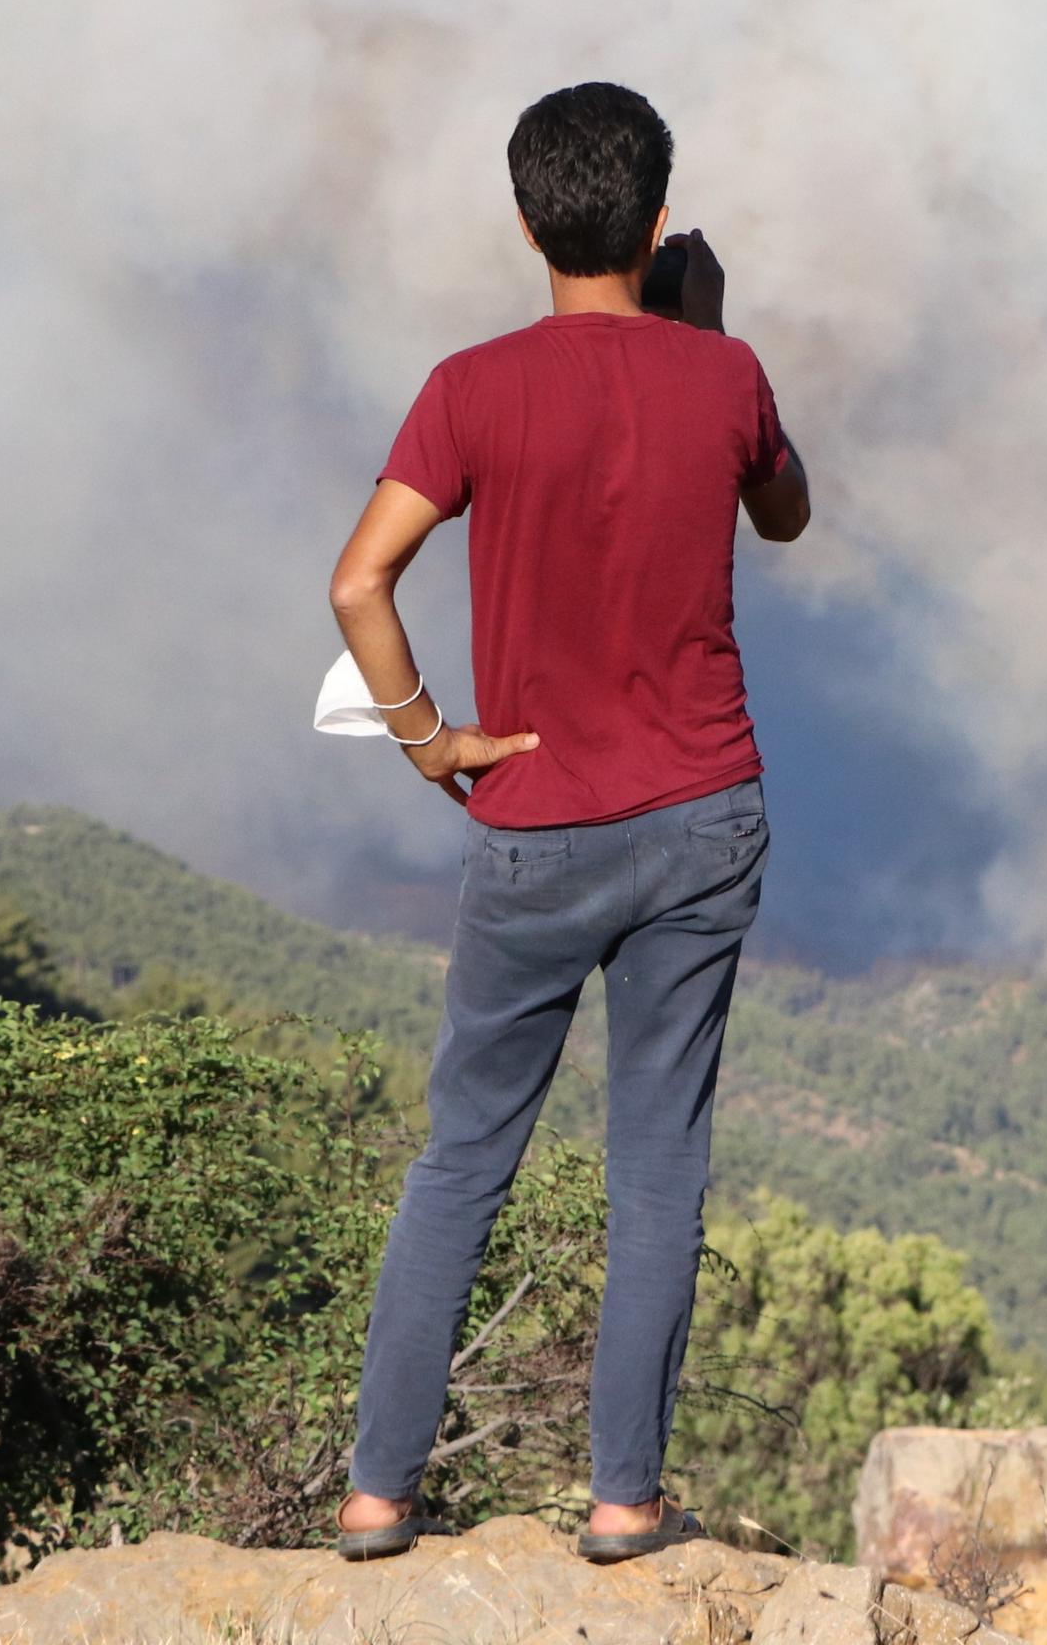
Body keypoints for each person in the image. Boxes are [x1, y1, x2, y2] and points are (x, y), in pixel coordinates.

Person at [326, 80, 810, 1563]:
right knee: (656, 1164)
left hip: (530, 819)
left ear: (527, 220)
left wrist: (431, 745)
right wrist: (706, 337)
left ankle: (377, 1494)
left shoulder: (469, 387)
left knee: (463, 1159)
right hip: (700, 816)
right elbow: (784, 516)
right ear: (662, 225)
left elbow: (360, 582)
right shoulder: (723, 379)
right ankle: (623, 1502)